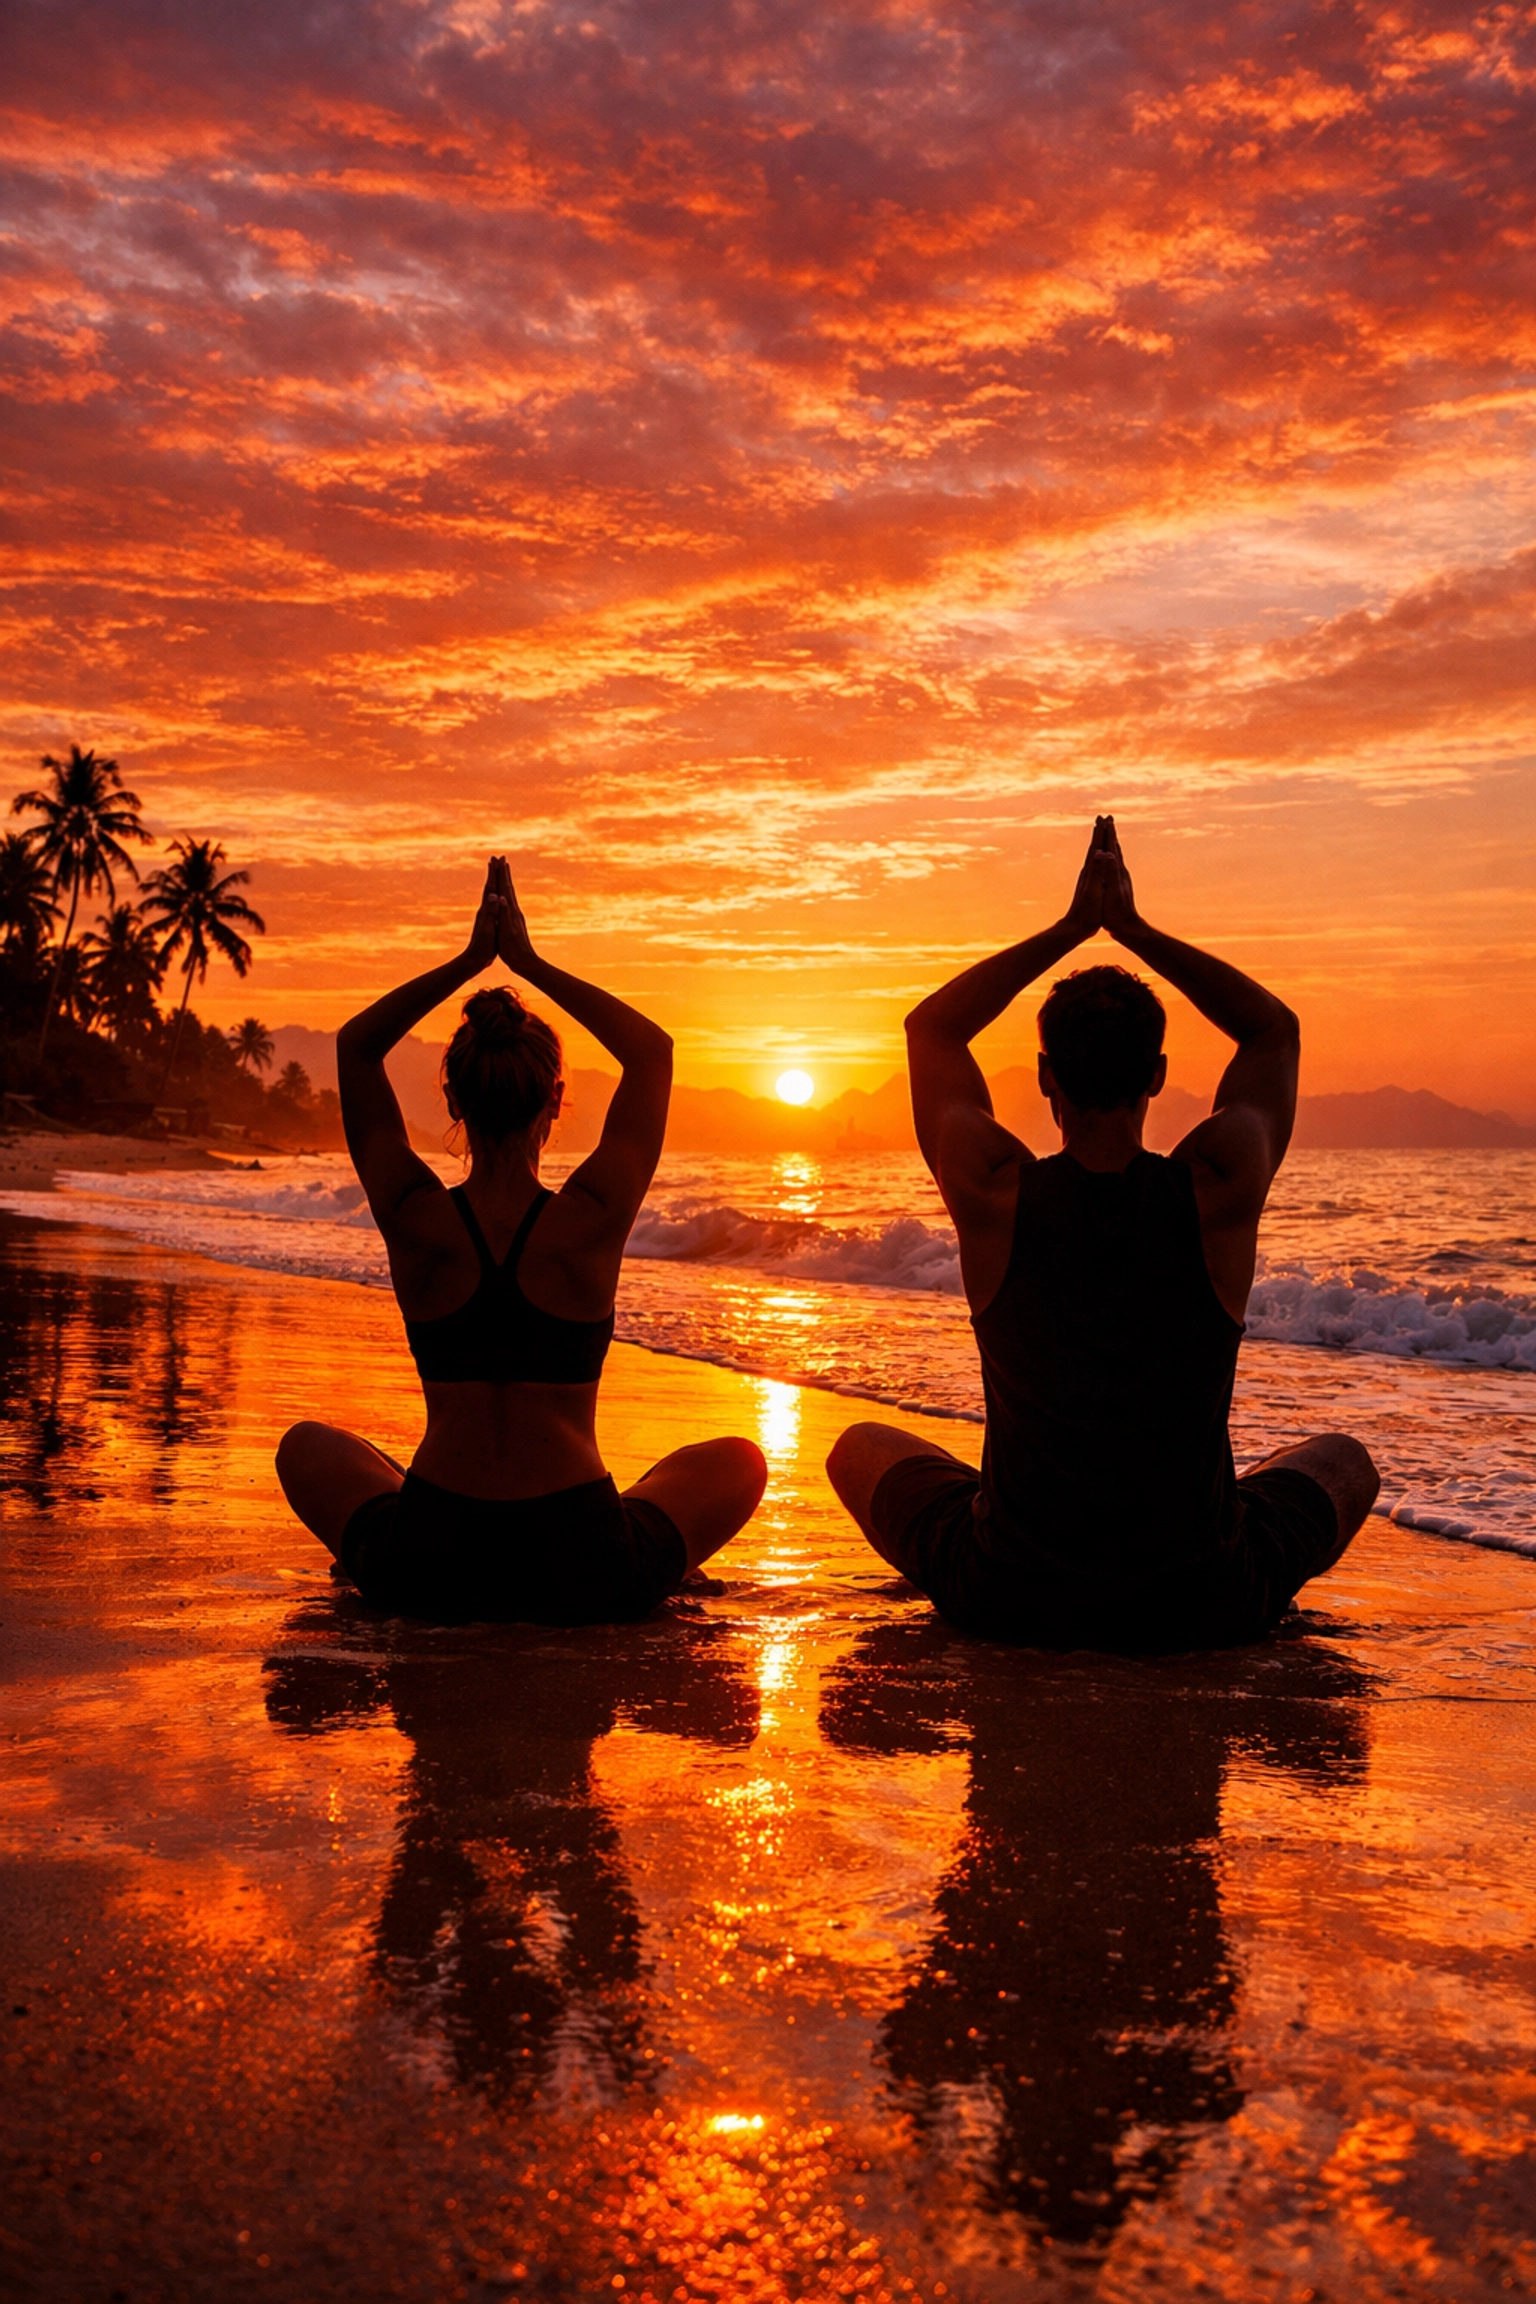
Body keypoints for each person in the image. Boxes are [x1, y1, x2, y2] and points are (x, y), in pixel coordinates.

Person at [825, 816, 1380, 1652]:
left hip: (1011, 1591)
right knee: (1344, 1459)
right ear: (1158, 1075)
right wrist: (1135, 930)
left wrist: (1069, 929)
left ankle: (1013, 1512)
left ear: (1046, 1075)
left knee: (858, 1446)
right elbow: (1274, 1031)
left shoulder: (993, 1191)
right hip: (1204, 1596)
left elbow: (931, 1030)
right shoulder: (1219, 1185)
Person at [276, 857, 766, 1623]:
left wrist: (471, 961)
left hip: (429, 1556)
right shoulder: (590, 1217)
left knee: (306, 1446)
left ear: (452, 1100)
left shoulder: (415, 1214)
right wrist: (529, 962)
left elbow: (357, 1049)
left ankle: (391, 1540)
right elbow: (652, 1053)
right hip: (583, 1561)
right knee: (741, 1461)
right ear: (557, 1102)